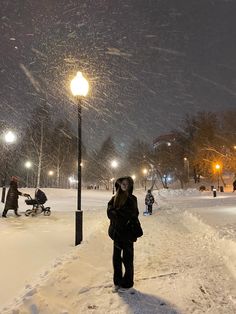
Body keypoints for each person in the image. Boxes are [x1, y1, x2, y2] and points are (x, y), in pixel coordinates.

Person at [107, 176, 139, 292]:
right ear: (119, 185)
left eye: (127, 183)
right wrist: (113, 212)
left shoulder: (132, 199)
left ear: (130, 185)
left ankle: (128, 282)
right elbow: (109, 211)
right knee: (116, 258)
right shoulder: (114, 198)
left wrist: (117, 214)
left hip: (128, 234)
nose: (124, 185)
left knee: (128, 258)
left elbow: (132, 213)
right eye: (123, 183)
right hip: (117, 234)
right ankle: (117, 280)